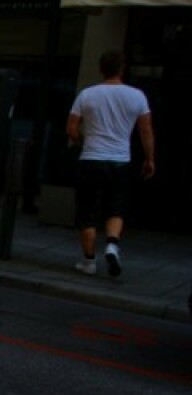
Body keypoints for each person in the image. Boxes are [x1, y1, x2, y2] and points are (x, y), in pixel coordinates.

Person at [66, 50, 155, 278]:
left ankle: (88, 261)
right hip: (120, 161)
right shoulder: (137, 96)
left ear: (101, 69)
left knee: (87, 211)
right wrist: (149, 158)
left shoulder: (86, 95)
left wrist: (81, 141)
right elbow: (145, 130)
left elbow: (72, 128)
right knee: (116, 207)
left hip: (92, 159)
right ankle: (112, 245)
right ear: (122, 69)